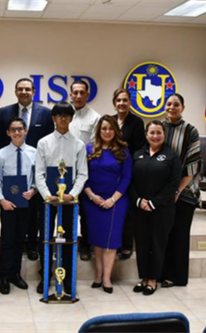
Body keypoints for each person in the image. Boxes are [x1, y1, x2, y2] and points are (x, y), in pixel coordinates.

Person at [0, 78, 54, 261]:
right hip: (9, 171)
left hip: (33, 170)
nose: (24, 92)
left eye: (27, 89)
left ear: (33, 91)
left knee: (33, 212)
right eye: (20, 89)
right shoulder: (4, 112)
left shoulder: (45, 113)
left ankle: (32, 245)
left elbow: (49, 143)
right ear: (15, 91)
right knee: (10, 223)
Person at [35, 102, 88, 295]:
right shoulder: (43, 143)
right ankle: (46, 276)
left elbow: (82, 174)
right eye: (59, 115)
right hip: (48, 200)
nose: (63, 119)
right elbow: (39, 174)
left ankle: (65, 277)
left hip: (68, 201)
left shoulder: (79, 145)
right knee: (46, 238)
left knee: (67, 239)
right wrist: (47, 195)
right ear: (53, 118)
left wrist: (71, 195)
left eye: (67, 115)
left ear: (72, 118)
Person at [130, 120, 181, 296]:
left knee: (157, 244)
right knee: (142, 244)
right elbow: (130, 182)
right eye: (152, 132)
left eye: (159, 132)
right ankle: (143, 277)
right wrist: (139, 201)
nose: (155, 136)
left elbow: (173, 184)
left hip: (162, 209)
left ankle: (153, 279)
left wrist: (153, 203)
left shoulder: (171, 156)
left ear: (164, 135)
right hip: (139, 209)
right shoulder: (137, 154)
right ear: (146, 134)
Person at [83, 115, 132, 294]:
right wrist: (91, 196)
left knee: (111, 242)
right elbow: (83, 176)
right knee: (97, 241)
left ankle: (106, 278)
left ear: (115, 131)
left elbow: (127, 177)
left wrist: (113, 199)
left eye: (110, 129)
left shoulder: (123, 150)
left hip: (116, 202)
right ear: (99, 130)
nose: (107, 132)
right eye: (104, 128)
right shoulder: (89, 149)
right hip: (93, 201)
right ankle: (98, 275)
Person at [0, 117, 37, 295]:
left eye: (20, 129)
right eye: (13, 129)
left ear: (26, 131)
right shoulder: (1, 154)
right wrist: (2, 200)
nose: (17, 132)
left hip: (26, 203)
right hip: (7, 205)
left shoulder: (34, 152)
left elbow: (37, 177)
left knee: (20, 240)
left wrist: (33, 191)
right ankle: (4, 276)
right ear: (8, 133)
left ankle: (15, 274)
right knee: (7, 240)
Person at [161, 93, 202, 288]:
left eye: (176, 105)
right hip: (163, 194)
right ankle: (161, 273)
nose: (171, 107)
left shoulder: (190, 131)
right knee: (163, 235)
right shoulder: (158, 128)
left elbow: (193, 166)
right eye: (168, 104)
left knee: (179, 234)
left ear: (182, 108)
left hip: (184, 193)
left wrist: (177, 192)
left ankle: (176, 276)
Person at [111, 88, 146, 261]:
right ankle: (114, 243)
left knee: (127, 211)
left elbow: (140, 148)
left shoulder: (137, 122)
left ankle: (126, 245)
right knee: (114, 210)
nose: (122, 104)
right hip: (111, 172)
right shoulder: (110, 121)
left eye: (125, 100)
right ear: (114, 103)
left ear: (129, 103)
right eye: (119, 100)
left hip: (129, 171)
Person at [69, 80, 101, 261]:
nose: (79, 96)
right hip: (62, 172)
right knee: (64, 209)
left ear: (87, 95)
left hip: (84, 171)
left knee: (85, 211)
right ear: (71, 94)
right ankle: (65, 240)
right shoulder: (64, 114)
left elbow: (95, 146)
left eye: (82, 93)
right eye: (76, 92)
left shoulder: (94, 117)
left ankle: (86, 244)